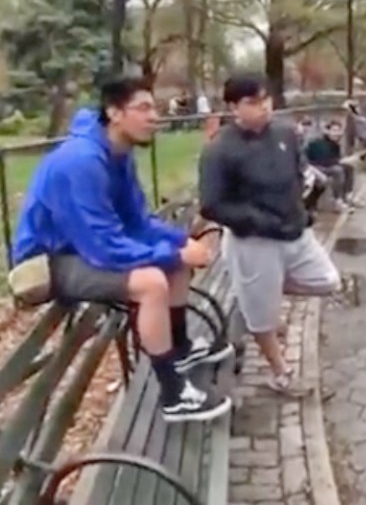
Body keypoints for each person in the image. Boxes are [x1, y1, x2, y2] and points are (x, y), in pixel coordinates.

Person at [12, 76, 234, 423]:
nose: (154, 117)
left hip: (82, 247)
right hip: (47, 261)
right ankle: (174, 396)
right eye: (143, 108)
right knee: (151, 283)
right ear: (114, 113)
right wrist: (174, 253)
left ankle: (180, 349)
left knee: (172, 262)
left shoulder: (119, 153)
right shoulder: (81, 161)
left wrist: (180, 242)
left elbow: (138, 222)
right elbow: (103, 248)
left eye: (155, 108)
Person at [198, 73, 341, 397]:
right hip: (254, 242)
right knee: (262, 318)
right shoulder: (220, 150)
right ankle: (281, 374)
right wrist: (254, 220)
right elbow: (211, 205)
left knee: (328, 281)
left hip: (295, 231)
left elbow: (298, 170)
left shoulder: (285, 133)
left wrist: (306, 202)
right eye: (252, 102)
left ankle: (264, 291)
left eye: (266, 99)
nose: (263, 107)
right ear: (234, 107)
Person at [304, 119, 361, 211]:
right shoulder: (319, 143)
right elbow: (324, 161)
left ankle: (348, 195)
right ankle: (337, 200)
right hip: (315, 167)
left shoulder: (334, 144)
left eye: (338, 131)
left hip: (326, 165)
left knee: (348, 167)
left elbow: (333, 159)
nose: (336, 134)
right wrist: (341, 161)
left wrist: (343, 161)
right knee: (337, 170)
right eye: (334, 131)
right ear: (327, 131)